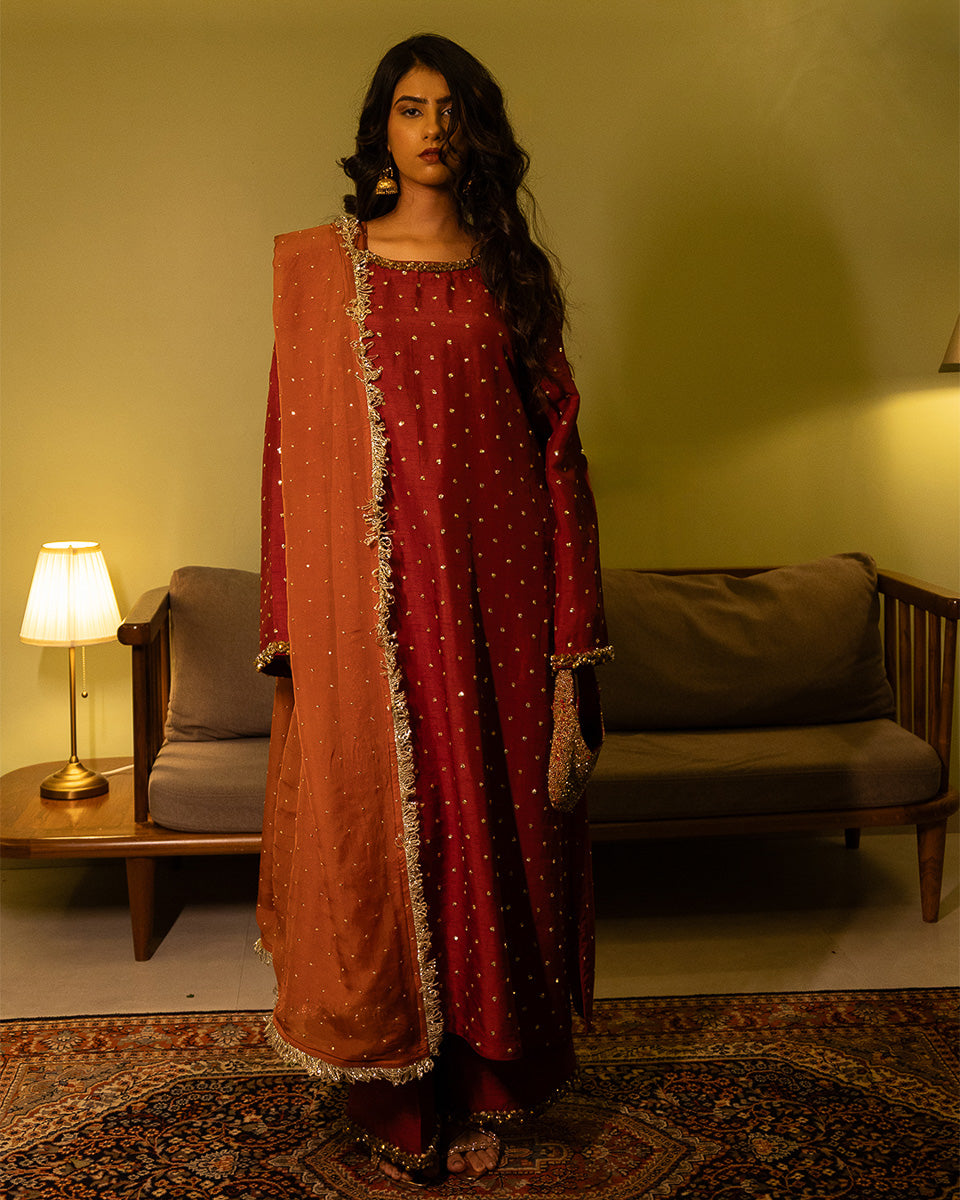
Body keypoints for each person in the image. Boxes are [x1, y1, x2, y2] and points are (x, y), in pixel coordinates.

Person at [256, 33, 611, 1186]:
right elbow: (286, 454)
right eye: (412, 108)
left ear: (479, 129)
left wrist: (571, 631)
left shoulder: (510, 271)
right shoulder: (328, 272)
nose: (434, 129)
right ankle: (400, 1095)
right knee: (385, 837)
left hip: (500, 600)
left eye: (453, 109)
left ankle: (492, 1081)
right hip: (369, 614)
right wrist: (293, 625)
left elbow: (560, 455)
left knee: (493, 830)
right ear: (382, 127)